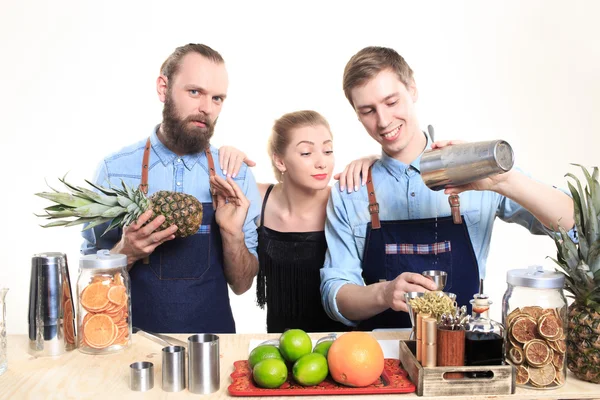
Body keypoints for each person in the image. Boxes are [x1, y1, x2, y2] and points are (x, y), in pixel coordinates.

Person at [320, 46, 575, 330]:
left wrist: (504, 180)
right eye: (368, 111)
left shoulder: (475, 169)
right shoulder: (350, 191)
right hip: (379, 362)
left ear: (412, 89)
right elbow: (335, 293)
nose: (383, 121)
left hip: (464, 356)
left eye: (391, 102)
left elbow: (571, 225)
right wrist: (383, 293)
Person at [81, 43, 261, 334]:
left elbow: (242, 285)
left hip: (212, 350)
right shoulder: (114, 171)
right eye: (195, 92)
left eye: (217, 98)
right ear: (163, 88)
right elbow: (89, 282)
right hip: (131, 350)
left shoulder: (235, 176)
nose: (206, 108)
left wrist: (232, 234)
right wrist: (126, 252)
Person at [219, 110, 373, 333]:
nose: (322, 163)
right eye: (306, 153)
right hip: (280, 348)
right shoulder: (257, 198)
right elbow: (239, 286)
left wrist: (373, 161)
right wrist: (225, 155)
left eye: (328, 150)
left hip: (346, 348)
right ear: (280, 161)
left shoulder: (345, 201)